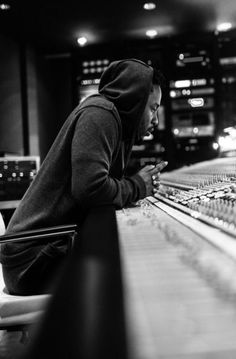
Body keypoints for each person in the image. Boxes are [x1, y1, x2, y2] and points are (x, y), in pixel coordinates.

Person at [0, 58, 167, 295]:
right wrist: (137, 186)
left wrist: (134, 186)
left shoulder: (114, 121)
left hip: (45, 249)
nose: (155, 120)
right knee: (134, 271)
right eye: (152, 108)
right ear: (135, 99)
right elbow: (90, 188)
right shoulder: (101, 114)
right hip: (31, 260)